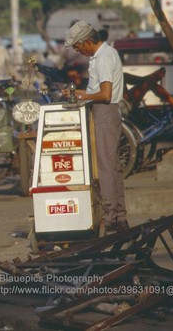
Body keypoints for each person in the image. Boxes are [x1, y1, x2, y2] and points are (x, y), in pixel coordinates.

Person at [61, 20, 127, 232]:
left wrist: (81, 94)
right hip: (105, 112)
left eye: (79, 47)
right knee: (112, 166)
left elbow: (105, 94)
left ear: (88, 41)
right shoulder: (103, 55)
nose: (78, 51)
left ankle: (110, 216)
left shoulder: (105, 57)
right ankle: (119, 215)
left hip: (105, 112)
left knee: (106, 167)